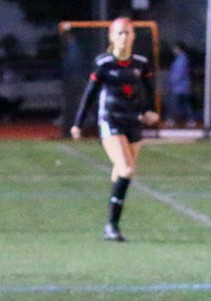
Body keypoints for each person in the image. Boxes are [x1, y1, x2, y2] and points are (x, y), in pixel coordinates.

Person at [69, 17, 160, 241]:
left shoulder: (141, 63)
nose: (124, 37)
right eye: (119, 33)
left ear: (133, 36)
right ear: (111, 36)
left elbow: (149, 92)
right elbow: (89, 94)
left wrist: (151, 111)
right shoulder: (104, 64)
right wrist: (78, 123)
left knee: (120, 173)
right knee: (127, 170)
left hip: (133, 122)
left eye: (128, 32)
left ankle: (111, 222)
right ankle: (112, 226)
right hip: (111, 121)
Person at [165, 42, 195, 127]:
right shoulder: (181, 59)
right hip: (182, 86)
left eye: (175, 48)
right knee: (184, 103)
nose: (173, 50)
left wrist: (171, 83)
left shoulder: (181, 60)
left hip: (179, 86)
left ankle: (171, 119)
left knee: (174, 103)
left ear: (179, 49)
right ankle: (190, 120)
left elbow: (178, 73)